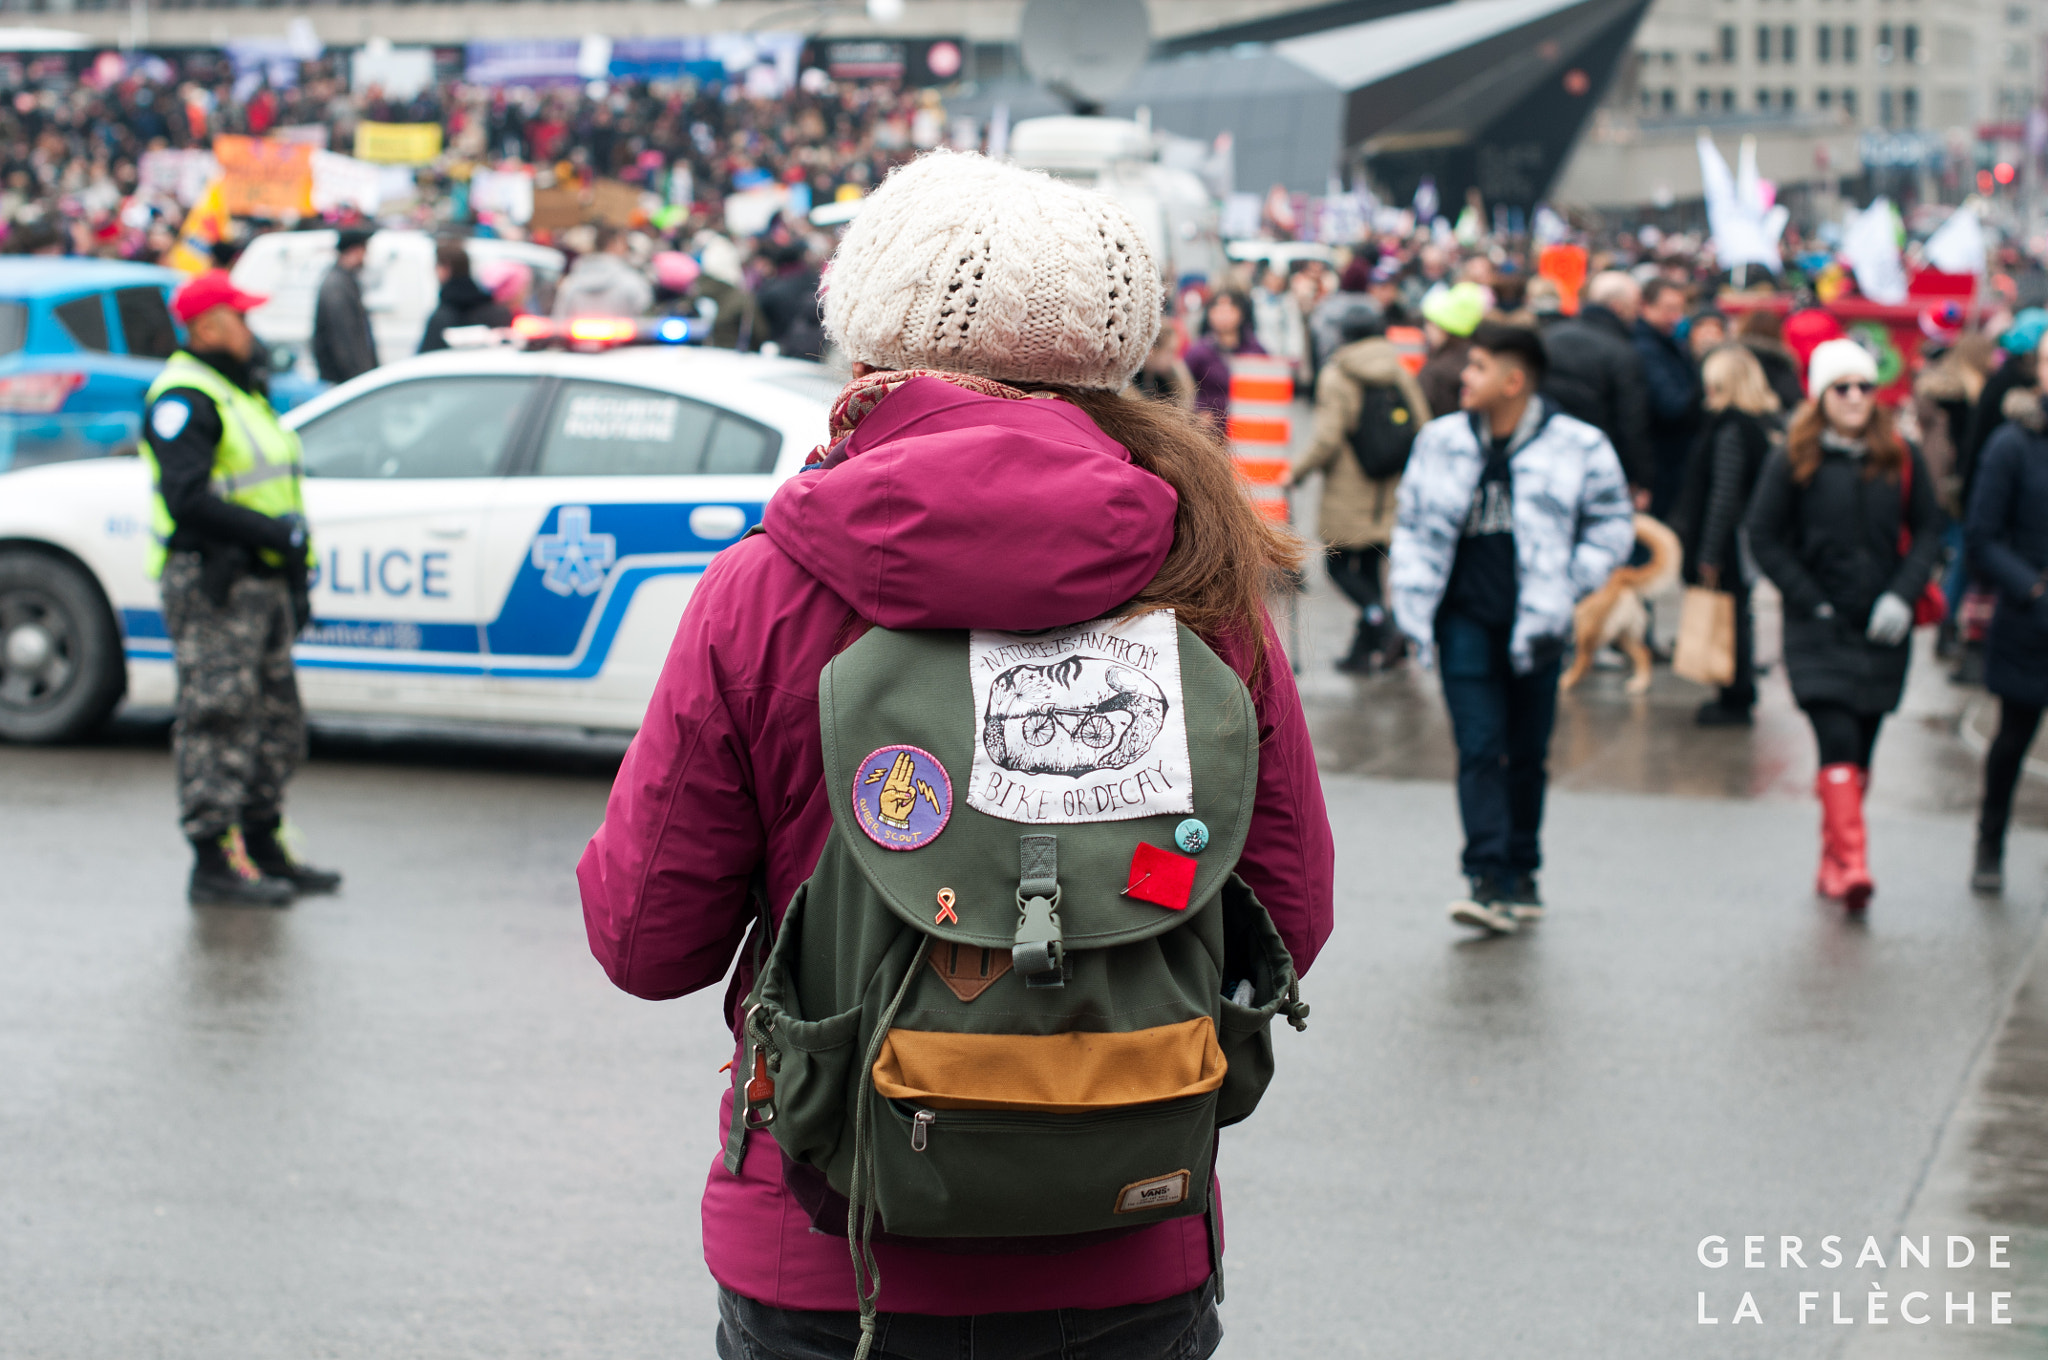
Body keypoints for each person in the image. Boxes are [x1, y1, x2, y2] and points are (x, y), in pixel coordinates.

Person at [577, 151, 1333, 1360]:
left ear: (873, 342)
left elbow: (644, 944)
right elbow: (1288, 914)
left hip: (831, 1250)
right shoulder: (1200, 584)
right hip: (1127, 1225)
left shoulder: (765, 590)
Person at [1390, 322, 1634, 935]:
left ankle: (1522, 869)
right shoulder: (1440, 441)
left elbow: (1613, 523)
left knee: (1526, 754)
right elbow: (1413, 525)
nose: (1464, 377)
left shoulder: (1579, 445)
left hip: (1539, 626)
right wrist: (1413, 600)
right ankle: (1487, 878)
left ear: (1514, 379)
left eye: (1477, 366)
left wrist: (1571, 580)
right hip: (1462, 620)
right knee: (1478, 747)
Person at [140, 271, 343, 907]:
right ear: (207, 327)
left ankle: (261, 845)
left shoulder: (239, 391)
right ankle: (213, 861)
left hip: (261, 581)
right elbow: (187, 497)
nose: (250, 329)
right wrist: (269, 535)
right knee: (218, 720)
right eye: (240, 317)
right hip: (216, 582)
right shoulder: (185, 397)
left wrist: (289, 563)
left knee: (276, 723)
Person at [1745, 339, 1944, 914]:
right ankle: (1855, 860)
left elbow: (1930, 530)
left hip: (1882, 627)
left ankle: (1833, 855)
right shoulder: (1791, 458)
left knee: (1861, 749)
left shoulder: (1899, 455)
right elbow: (1763, 535)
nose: (1855, 397)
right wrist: (1808, 598)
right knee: (1834, 737)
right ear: (1820, 396)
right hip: (1817, 627)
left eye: (1863, 386)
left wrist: (1902, 596)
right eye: (1841, 388)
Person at [1292, 307, 1431, 672]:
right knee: (1369, 568)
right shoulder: (1398, 370)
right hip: (1387, 490)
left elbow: (1326, 439)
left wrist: (1296, 471)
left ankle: (1384, 623)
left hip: (1348, 490)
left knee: (1337, 567)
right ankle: (1364, 653)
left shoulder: (1337, 375)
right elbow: (1422, 423)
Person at [1964, 359, 2048, 893]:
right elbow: (1982, 534)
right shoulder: (2012, 444)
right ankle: (1989, 840)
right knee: (2013, 738)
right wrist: (2032, 588)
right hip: (2030, 618)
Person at [1673, 344, 1782, 726]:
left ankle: (1735, 694)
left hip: (1729, 541)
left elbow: (1724, 493)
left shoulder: (1731, 427)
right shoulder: (1758, 423)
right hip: (1742, 538)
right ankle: (1737, 690)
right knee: (1737, 614)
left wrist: (1708, 551)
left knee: (1730, 615)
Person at [1541, 270, 1653, 495]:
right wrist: (1640, 478)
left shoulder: (1548, 336)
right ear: (1617, 307)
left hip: (1544, 459)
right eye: (1633, 307)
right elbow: (1632, 424)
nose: (1637, 315)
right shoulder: (1623, 353)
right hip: (1599, 467)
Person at [1634, 277, 1701, 518]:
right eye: (1669, 309)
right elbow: (1672, 405)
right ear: (1646, 306)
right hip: (1662, 460)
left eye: (1679, 310)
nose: (1676, 317)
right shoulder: (1647, 349)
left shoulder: (1667, 343)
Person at [1183, 288, 1263, 428]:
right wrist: (1193, 415)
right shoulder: (1199, 351)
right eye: (1217, 310)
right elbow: (1180, 386)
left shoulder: (1255, 350)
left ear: (1241, 314)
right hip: (1209, 431)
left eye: (1229, 310)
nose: (1223, 316)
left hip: (1249, 428)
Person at [418, 239, 513, 353]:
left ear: (446, 268)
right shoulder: (497, 312)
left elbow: (425, 358)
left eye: (436, 267)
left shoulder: (441, 317)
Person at [312, 227, 377, 385]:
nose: (365, 257)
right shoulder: (337, 286)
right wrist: (360, 381)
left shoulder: (344, 281)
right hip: (344, 380)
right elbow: (345, 341)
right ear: (354, 251)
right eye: (364, 251)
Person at [552, 224, 653, 320]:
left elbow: (559, 323)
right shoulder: (632, 281)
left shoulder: (570, 283)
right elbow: (645, 318)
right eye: (624, 244)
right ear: (613, 243)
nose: (626, 250)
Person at [1416, 282, 1486, 419]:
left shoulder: (1434, 371)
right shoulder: (1481, 361)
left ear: (1444, 328)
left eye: (1431, 323)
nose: (1426, 330)